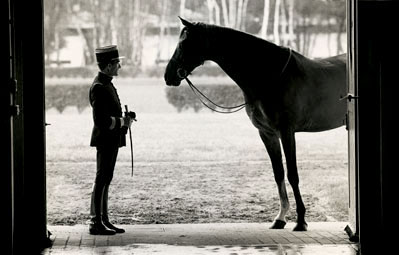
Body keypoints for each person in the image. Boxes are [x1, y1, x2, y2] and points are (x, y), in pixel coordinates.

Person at [88, 45, 135, 235]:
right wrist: (122, 121)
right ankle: (95, 222)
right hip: (105, 139)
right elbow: (101, 121)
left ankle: (103, 219)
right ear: (108, 66)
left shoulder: (105, 83)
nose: (120, 66)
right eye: (117, 63)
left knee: (106, 178)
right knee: (101, 179)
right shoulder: (99, 87)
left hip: (111, 139)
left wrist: (125, 119)